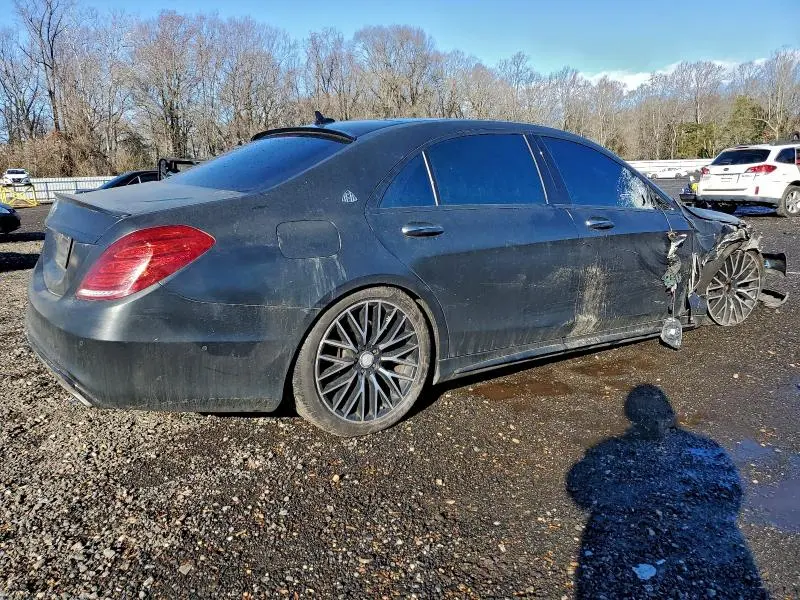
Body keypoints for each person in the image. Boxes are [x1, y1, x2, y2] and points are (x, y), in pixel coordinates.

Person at [566, 385, 767, 598]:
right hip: (704, 553)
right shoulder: (705, 446)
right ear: (668, 413)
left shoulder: (608, 450)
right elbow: (731, 497)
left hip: (628, 547)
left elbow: (579, 488)